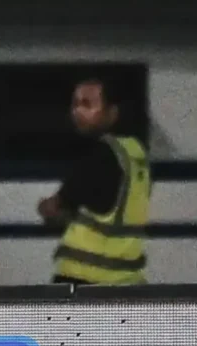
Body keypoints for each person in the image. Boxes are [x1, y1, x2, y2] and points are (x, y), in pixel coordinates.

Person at [38, 78, 151, 284]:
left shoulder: (100, 156)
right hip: (128, 281)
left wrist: (44, 207)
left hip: (83, 280)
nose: (77, 111)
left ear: (112, 112)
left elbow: (56, 207)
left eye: (87, 104)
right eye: (75, 104)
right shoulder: (135, 153)